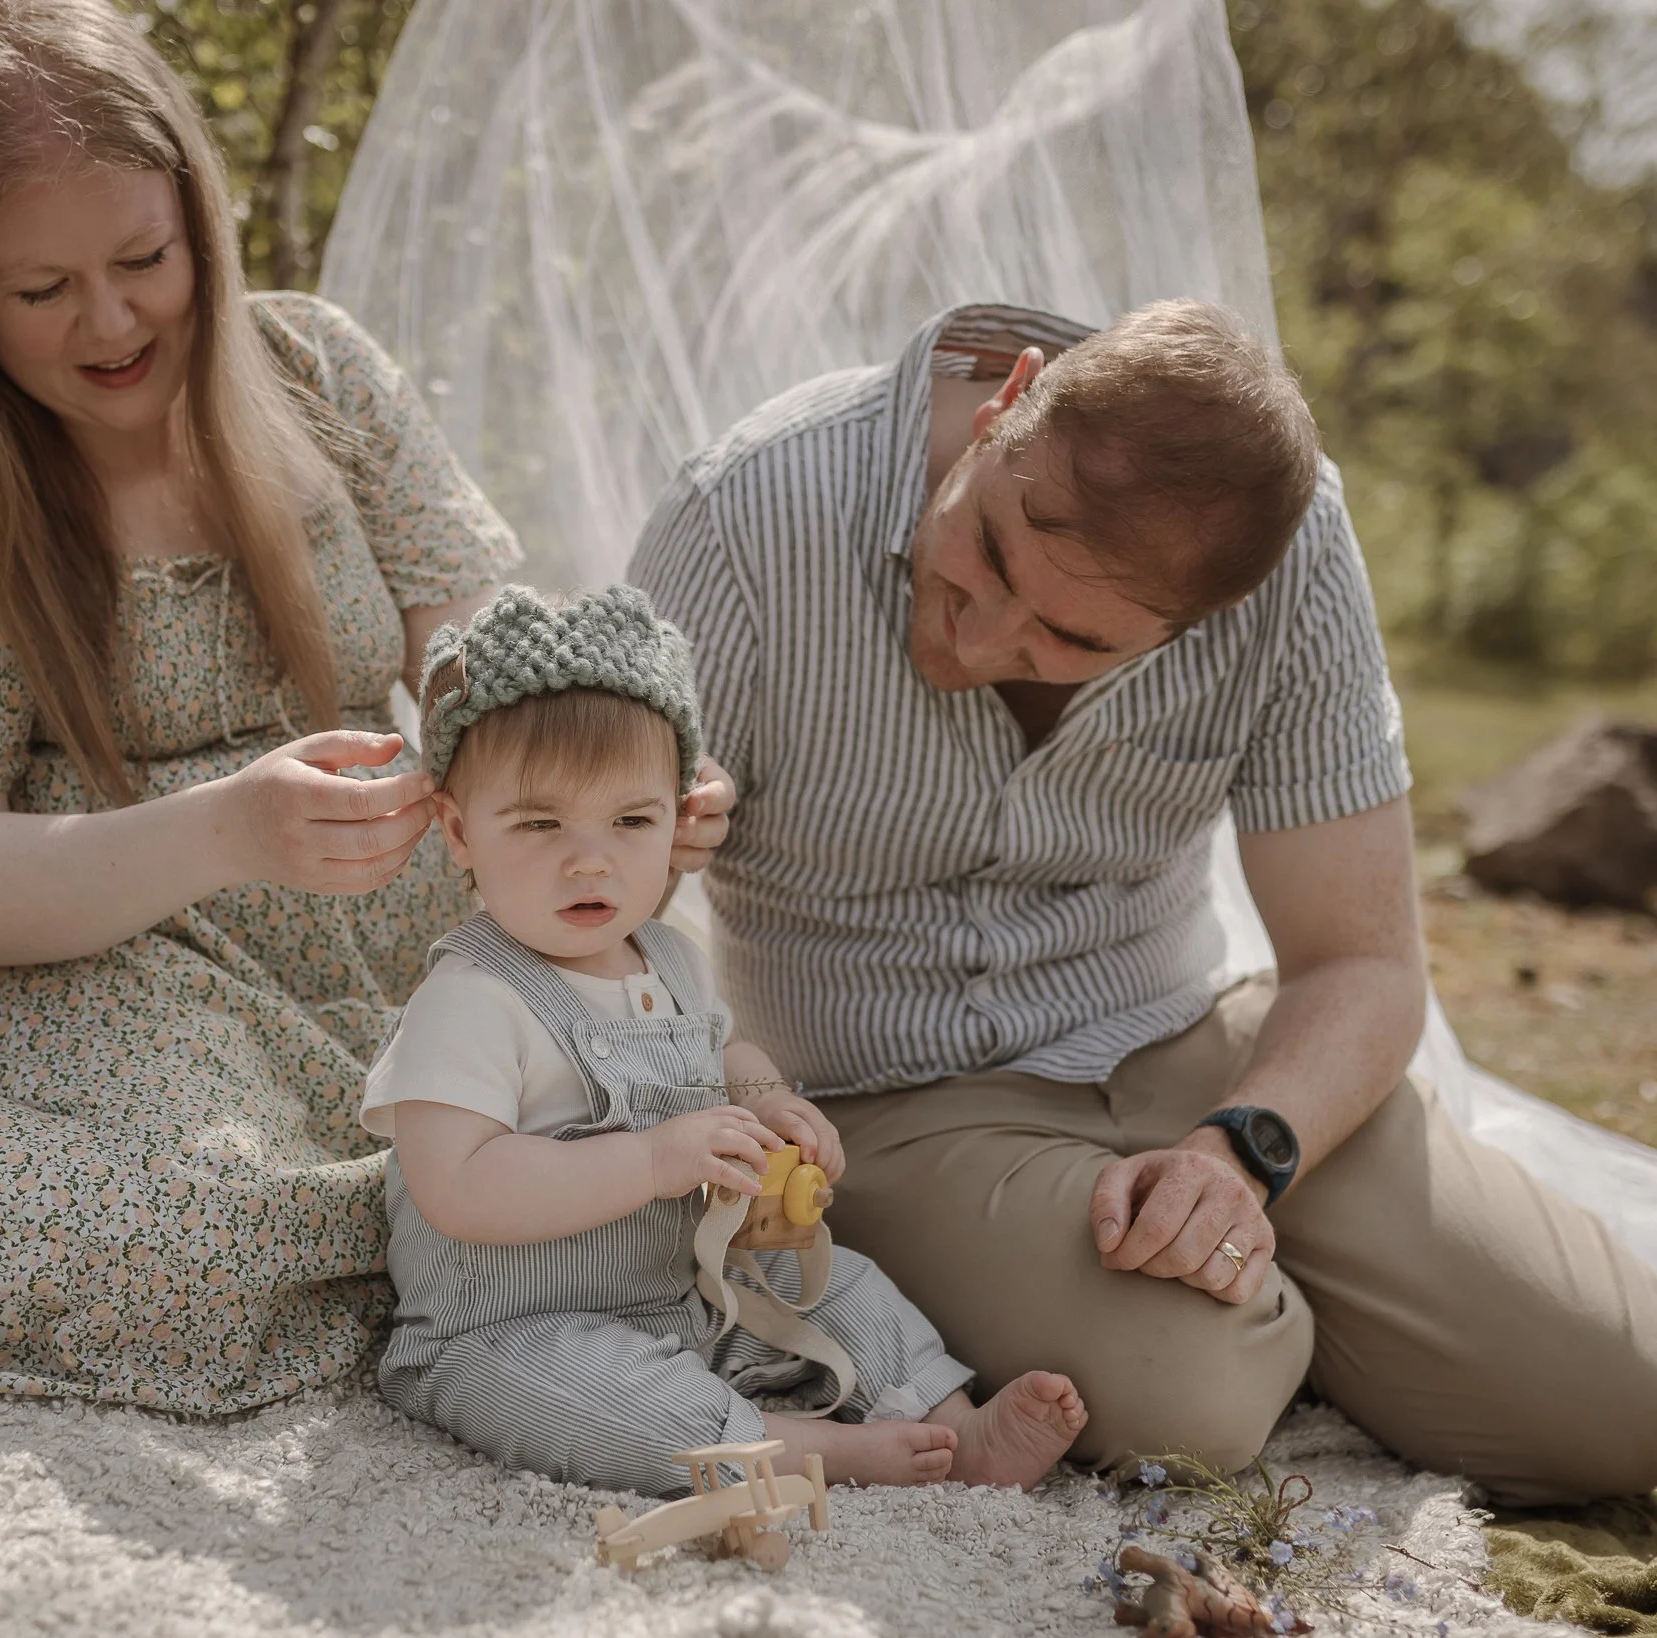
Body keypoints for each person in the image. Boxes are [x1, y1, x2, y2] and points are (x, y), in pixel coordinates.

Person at [0, 0, 743, 1412]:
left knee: (586, 1126)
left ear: (199, 222)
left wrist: (615, 769)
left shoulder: (315, 372)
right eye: (41, 289)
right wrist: (228, 828)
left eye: (145, 260)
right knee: (215, 1241)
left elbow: (481, 663)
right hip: (72, 958)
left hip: (367, 926)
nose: (112, 321)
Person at [630, 298, 1657, 1506]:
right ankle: (1269, 1320)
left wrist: (1241, 1152)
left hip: (1200, 1048)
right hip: (893, 1100)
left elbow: (1359, 963)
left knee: (1617, 1410)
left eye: (1069, 636)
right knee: (1196, 1397)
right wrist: (643, 834)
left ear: (1198, 627)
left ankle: (1278, 1287)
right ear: (1007, 404)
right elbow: (565, 896)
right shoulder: (744, 513)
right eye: (987, 547)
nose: (980, 635)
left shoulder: (1291, 556)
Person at [361, 584, 1088, 1496]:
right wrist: (653, 1160)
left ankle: (953, 1422)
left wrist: (768, 1103)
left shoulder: (671, 958)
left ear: (677, 820)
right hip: (515, 1325)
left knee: (840, 1282)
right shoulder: (470, 998)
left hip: (684, 1287)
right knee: (611, 1408)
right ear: (460, 832)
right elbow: (459, 1188)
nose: (590, 860)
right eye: (540, 824)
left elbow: (726, 1054)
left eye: (632, 821)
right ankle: (801, 1450)